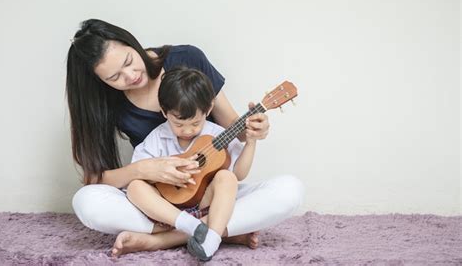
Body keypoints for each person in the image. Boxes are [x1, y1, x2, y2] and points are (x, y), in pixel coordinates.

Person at [67, 18, 304, 257]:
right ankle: (216, 230)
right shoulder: (104, 103)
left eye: (129, 61)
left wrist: (254, 132)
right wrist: (142, 170)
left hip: (209, 192)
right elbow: (95, 178)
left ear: (131, 43)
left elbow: (235, 131)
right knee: (86, 202)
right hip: (159, 201)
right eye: (114, 78)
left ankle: (164, 240)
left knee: (289, 190)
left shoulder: (188, 59)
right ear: (101, 82)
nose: (130, 76)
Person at [128, 66, 257, 261]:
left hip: (204, 205)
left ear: (209, 109)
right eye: (178, 124)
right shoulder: (158, 137)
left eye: (195, 123)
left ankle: (211, 239)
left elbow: (239, 174)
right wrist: (161, 171)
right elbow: (138, 170)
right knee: (134, 187)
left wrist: (251, 142)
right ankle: (192, 227)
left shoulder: (216, 134)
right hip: (167, 212)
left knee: (227, 177)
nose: (187, 130)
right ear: (164, 112)